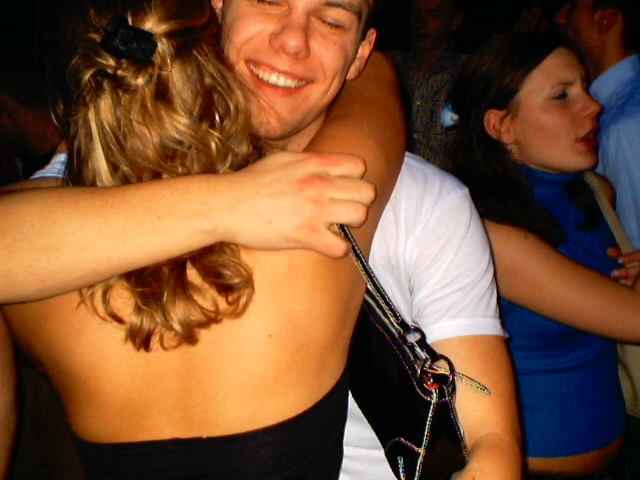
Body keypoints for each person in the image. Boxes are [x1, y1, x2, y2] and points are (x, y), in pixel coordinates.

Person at [0, 2, 523, 479]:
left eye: (331, 20)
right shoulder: (319, 236)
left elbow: (490, 442)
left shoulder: (41, 270)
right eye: (269, 1)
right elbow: (360, 122)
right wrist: (234, 203)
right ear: (217, 10)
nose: (294, 40)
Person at [447, 31, 640, 478]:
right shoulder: (489, 236)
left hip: (620, 448)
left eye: (585, 88)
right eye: (562, 96)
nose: (593, 107)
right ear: (502, 127)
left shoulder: (595, 192)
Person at [554, 0, 640, 250]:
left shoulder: (623, 126)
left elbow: (632, 249)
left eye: (572, 8)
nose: (560, 18)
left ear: (606, 20)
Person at [386, 0, 466, 169]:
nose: (420, 22)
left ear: (455, 20)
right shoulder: (388, 68)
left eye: (433, 14)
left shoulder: (468, 75)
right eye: (416, 14)